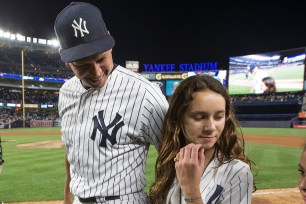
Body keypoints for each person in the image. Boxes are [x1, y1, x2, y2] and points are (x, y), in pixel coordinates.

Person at [54, 2, 168, 203]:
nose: (97, 72)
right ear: (65, 58)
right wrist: (67, 199)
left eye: (101, 59)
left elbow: (173, 157)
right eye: (82, 66)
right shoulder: (65, 92)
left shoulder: (145, 93)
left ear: (109, 41)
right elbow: (71, 153)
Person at [150, 75, 255, 204]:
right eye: (200, 117)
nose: (211, 127)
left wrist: (191, 190)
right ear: (179, 118)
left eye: (218, 117)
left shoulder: (237, 172)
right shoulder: (172, 161)